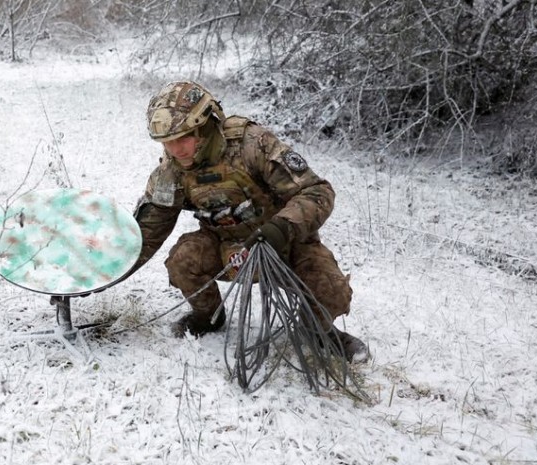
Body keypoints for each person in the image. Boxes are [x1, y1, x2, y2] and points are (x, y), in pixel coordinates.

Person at [129, 80, 369, 363]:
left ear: (204, 127)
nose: (175, 149)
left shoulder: (252, 145)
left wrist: (280, 228)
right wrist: (98, 275)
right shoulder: (172, 171)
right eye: (167, 142)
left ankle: (318, 331)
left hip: (285, 243)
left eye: (183, 138)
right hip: (227, 248)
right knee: (183, 259)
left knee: (331, 291)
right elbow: (147, 232)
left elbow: (317, 191)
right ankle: (208, 318)